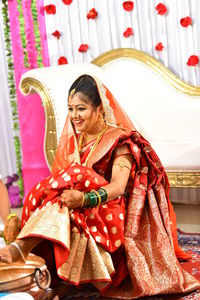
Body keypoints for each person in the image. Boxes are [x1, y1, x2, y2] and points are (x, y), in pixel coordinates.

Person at [0, 74, 200, 299]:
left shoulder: (120, 141)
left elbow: (117, 187)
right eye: (71, 109)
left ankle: (21, 248)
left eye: (81, 109)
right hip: (84, 211)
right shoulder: (78, 140)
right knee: (61, 199)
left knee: (73, 183)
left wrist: (84, 199)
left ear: (100, 109)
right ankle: (62, 282)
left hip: (113, 217)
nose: (75, 116)